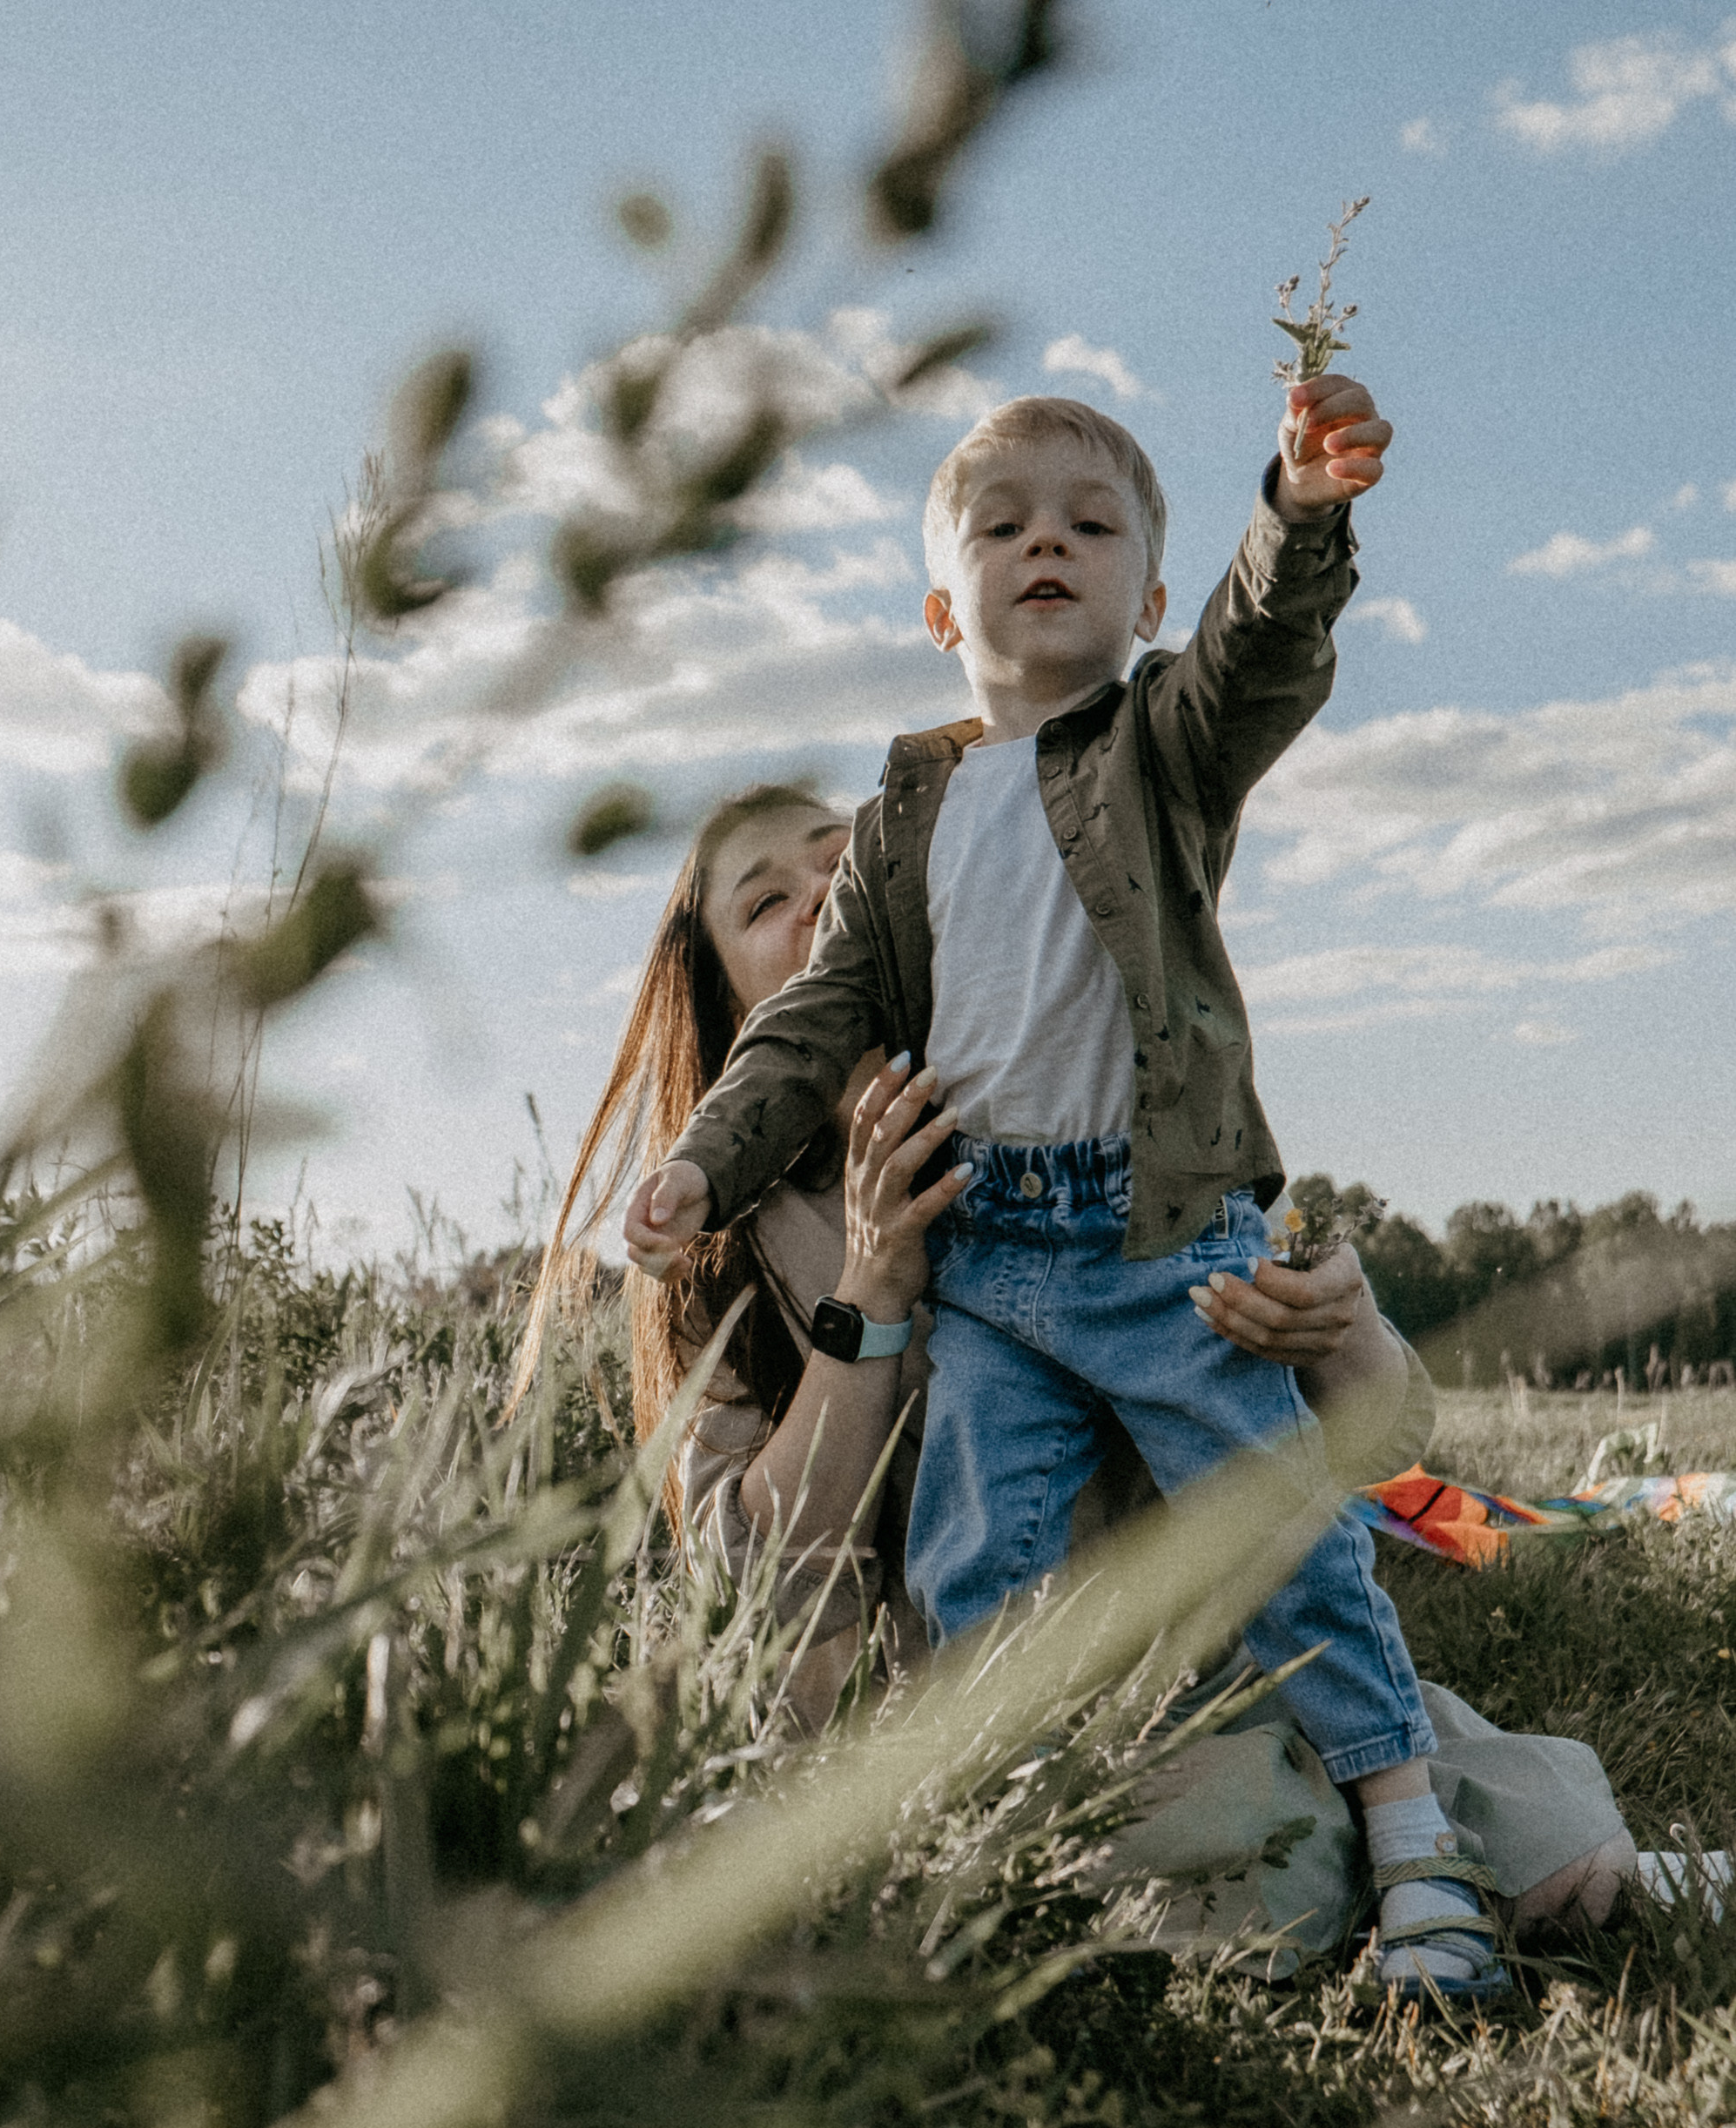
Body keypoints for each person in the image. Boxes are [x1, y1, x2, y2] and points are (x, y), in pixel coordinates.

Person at [613, 381, 1508, 1999]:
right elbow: (820, 1014)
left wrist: (1298, 521)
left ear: (1145, 596)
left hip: (1153, 1229)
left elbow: (1259, 654)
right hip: (995, 1272)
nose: (1048, 542)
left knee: (1287, 1535)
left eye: (1090, 528)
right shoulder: (907, 826)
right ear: (940, 604)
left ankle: (1417, 1843)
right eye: (768, 904)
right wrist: (708, 1163)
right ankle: (1008, 1858)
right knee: (974, 1562)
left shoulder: (1152, 743)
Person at [518, 785, 1633, 1972]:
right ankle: (1384, 1866)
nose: (816, 909)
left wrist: (1335, 1320)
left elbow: (1382, 1436)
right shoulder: (721, 1243)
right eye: (762, 904)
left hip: (1195, 1667)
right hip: (964, 1710)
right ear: (726, 995)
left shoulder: (1101, 1114)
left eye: (839, 871)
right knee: (1312, 1854)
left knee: (1568, 1861)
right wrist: (873, 1285)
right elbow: (765, 1575)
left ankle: (1425, 1852)